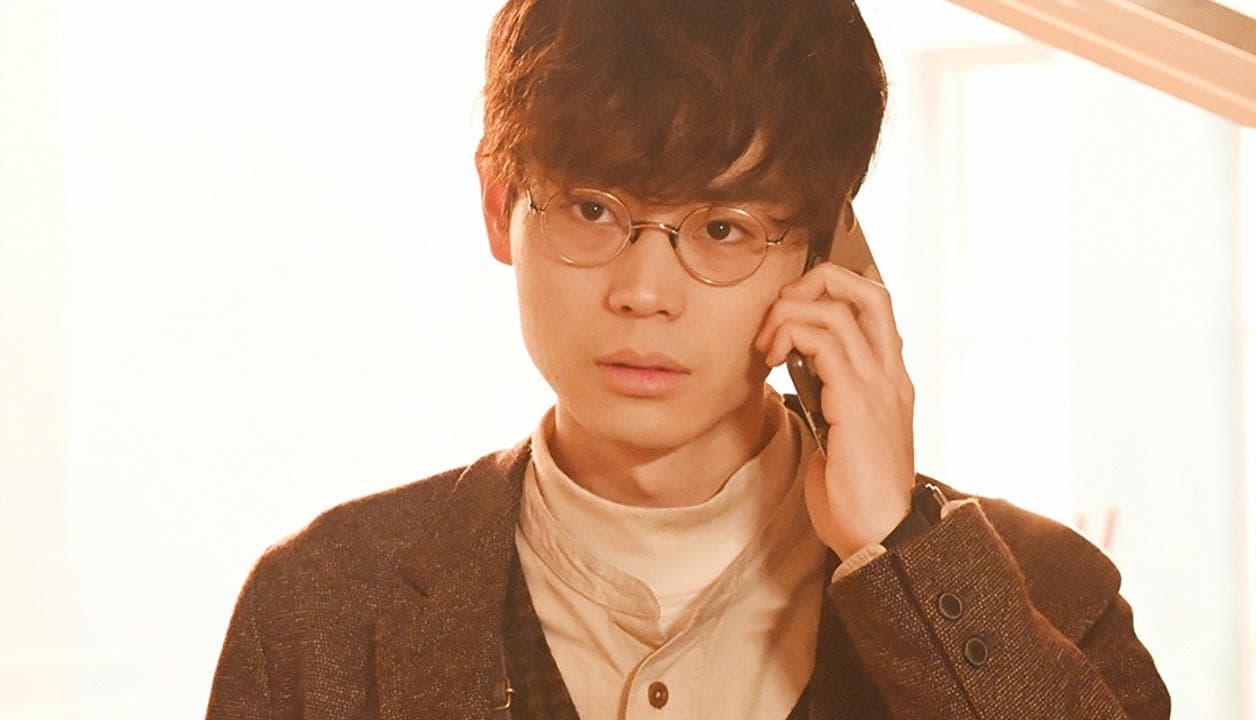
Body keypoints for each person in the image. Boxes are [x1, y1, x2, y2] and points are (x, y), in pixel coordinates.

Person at [206, 1, 1170, 718]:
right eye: (592, 209)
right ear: (501, 206)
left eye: (722, 226)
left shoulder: (1047, 596)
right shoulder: (323, 610)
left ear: (825, 254)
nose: (644, 292)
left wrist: (900, 548)